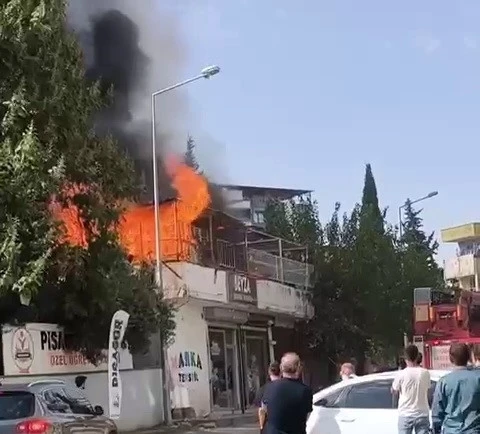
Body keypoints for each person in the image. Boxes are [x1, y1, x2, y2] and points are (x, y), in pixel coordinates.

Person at [432, 343, 480, 434]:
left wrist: (436, 430)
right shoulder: (478, 379)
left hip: (451, 430)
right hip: (474, 430)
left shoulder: (443, 382)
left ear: (451, 359)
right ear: (469, 357)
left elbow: (437, 413)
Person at [262, 352, 313, 434]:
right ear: (299, 368)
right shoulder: (305, 391)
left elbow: (264, 409)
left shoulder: (270, 387)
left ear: (281, 368)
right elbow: (307, 414)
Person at [391, 344, 431, 434]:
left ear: (405, 358)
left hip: (405, 414)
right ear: (417, 356)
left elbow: (394, 390)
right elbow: (427, 390)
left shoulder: (401, 374)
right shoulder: (425, 373)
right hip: (422, 413)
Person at [255, 361, 281, 433]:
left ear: (269, 373)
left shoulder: (263, 390)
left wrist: (261, 426)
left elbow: (261, 411)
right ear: (281, 373)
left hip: (269, 427)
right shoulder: (288, 388)